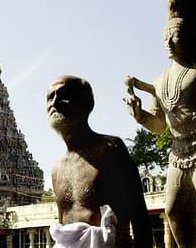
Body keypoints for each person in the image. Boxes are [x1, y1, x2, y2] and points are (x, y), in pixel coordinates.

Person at [124, 17, 196, 247]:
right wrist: (139, 115)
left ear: (187, 37)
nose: (169, 42)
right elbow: (160, 126)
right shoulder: (160, 82)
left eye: (174, 36)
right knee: (173, 210)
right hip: (178, 154)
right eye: (165, 38)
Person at [47, 76, 152, 248]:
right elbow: (64, 229)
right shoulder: (57, 169)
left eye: (63, 95)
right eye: (50, 97)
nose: (55, 102)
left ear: (85, 104)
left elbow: (140, 216)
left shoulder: (110, 149)